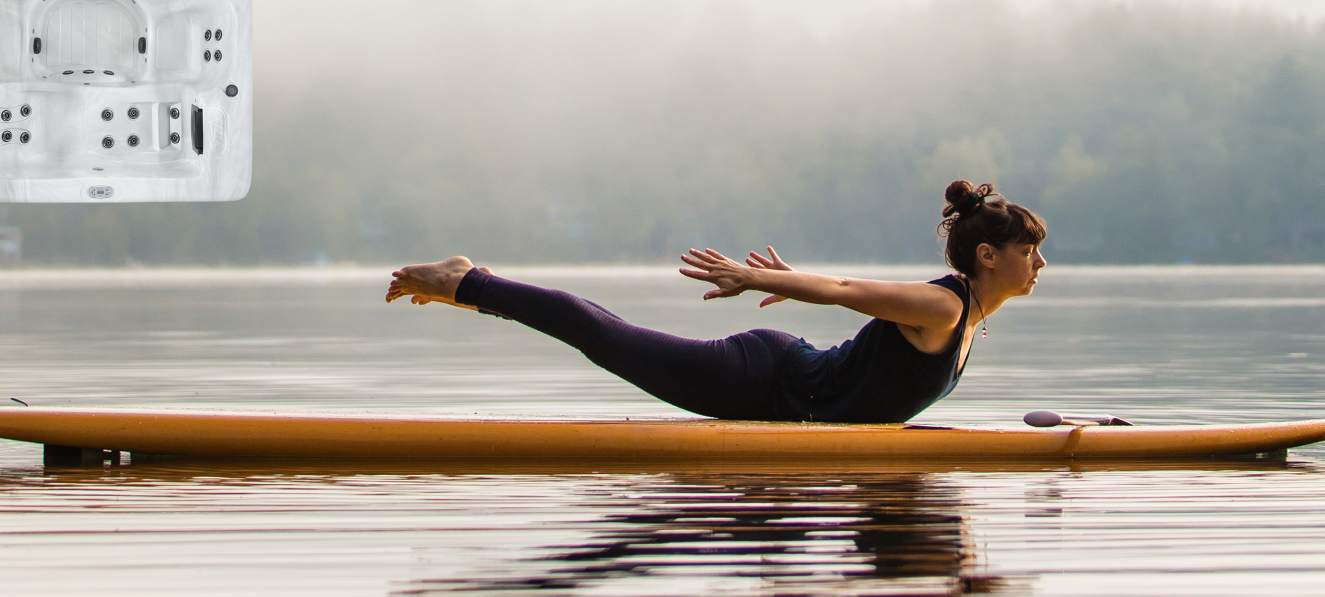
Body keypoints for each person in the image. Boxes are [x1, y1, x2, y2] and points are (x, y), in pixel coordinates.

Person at [384, 180, 1047, 423]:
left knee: (608, 336)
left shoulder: (965, 324)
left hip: (790, 389)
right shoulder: (947, 308)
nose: (1040, 264)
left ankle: (476, 290)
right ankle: (466, 280)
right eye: (1030, 252)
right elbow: (846, 292)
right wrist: (760, 279)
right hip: (765, 381)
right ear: (988, 257)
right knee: (605, 338)